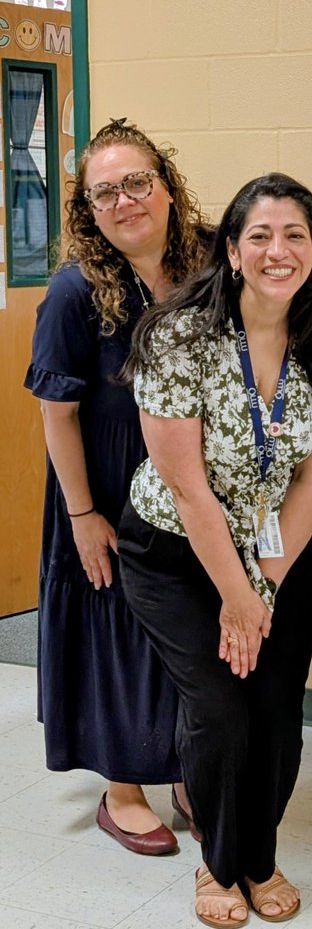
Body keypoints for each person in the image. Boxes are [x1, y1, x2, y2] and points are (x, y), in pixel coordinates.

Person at [118, 173, 312, 929]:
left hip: (285, 542)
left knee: (276, 703)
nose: (277, 250)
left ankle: (260, 856)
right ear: (231, 250)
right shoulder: (177, 335)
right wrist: (237, 596)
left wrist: (263, 586)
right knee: (220, 707)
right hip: (174, 549)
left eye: (294, 235)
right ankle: (218, 864)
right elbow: (187, 489)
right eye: (259, 235)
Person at [24, 118, 209, 854]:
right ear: (89, 212)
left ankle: (186, 773)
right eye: (106, 192)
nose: (126, 200)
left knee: (186, 631)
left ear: (165, 185)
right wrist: (83, 514)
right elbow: (56, 414)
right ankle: (122, 788)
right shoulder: (74, 293)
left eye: (137, 182)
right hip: (101, 485)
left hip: (187, 481)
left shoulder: (205, 266)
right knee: (114, 633)